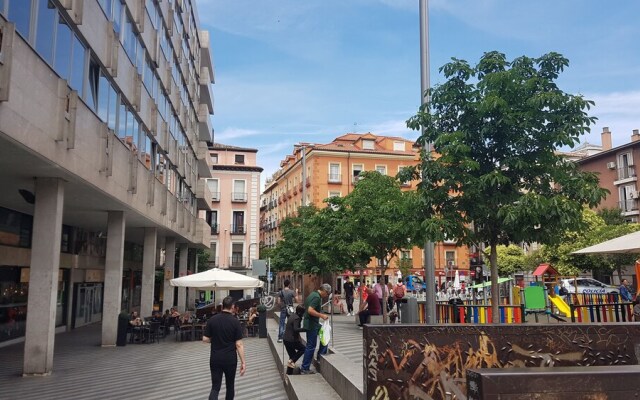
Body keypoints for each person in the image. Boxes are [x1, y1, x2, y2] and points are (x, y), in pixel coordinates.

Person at [203, 296, 246, 400]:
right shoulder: (235, 322)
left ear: (222, 306)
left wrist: (215, 340)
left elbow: (205, 339)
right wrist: (243, 362)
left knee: (215, 387)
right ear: (232, 307)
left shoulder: (212, 320)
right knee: (230, 386)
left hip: (215, 358)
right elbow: (239, 344)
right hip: (230, 359)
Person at [300, 283, 331, 374]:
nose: (327, 295)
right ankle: (305, 368)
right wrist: (321, 315)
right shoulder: (317, 297)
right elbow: (310, 310)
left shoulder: (313, 294)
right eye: (327, 293)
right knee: (311, 346)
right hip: (311, 324)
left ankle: (320, 356)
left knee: (324, 335)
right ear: (324, 291)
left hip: (312, 323)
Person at [284, 305, 306, 369]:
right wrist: (305, 329)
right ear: (300, 312)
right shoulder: (297, 318)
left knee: (292, 357)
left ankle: (289, 372)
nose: (303, 314)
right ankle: (291, 361)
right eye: (303, 313)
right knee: (303, 349)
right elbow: (296, 329)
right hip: (291, 340)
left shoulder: (292, 315)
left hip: (286, 339)